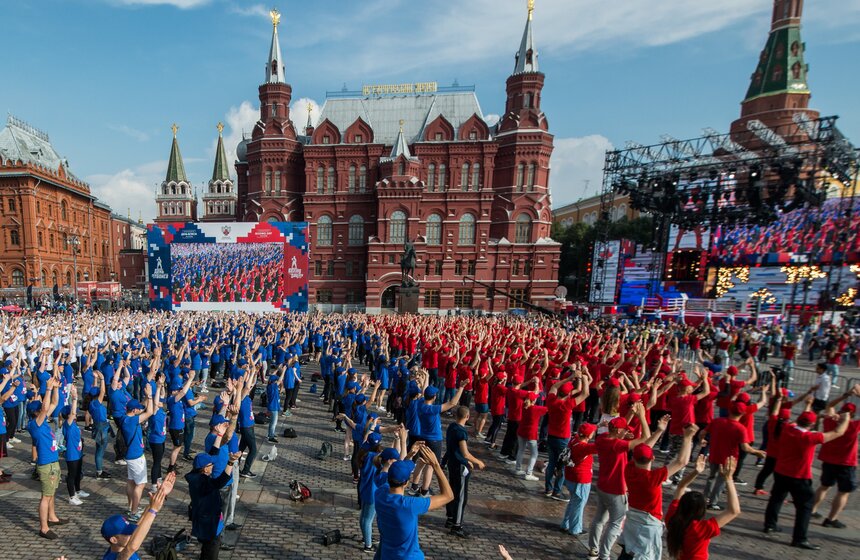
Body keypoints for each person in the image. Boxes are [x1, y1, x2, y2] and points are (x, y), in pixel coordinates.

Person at [763, 409, 850, 550]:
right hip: (799, 476)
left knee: (776, 499)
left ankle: (769, 525)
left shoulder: (788, 428)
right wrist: (845, 419)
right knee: (805, 508)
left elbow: (794, 423)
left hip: (781, 471)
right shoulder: (809, 438)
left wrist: (821, 416)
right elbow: (837, 433)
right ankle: (799, 538)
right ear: (811, 425)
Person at [618, 421, 697, 560]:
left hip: (632, 519)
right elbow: (682, 462)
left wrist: (659, 431)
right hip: (647, 524)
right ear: (653, 458)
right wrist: (687, 438)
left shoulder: (629, 469)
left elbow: (643, 450)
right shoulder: (653, 478)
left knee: (628, 550)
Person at [587, 403, 653, 560]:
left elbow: (619, 426)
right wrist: (642, 416)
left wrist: (630, 413)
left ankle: (593, 550)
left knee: (599, 520)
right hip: (616, 489)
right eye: (624, 430)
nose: (627, 432)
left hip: (602, 486)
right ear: (618, 431)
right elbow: (646, 438)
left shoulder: (602, 439)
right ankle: (605, 555)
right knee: (615, 524)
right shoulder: (618, 445)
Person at [374, 447, 454, 559]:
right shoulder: (409, 505)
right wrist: (436, 465)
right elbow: (448, 496)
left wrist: (409, 457)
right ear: (406, 483)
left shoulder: (379, 493)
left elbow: (387, 476)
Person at [665, 456, 740, 560]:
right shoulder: (701, 529)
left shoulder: (672, 517)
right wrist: (729, 478)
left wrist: (696, 472)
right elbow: (734, 511)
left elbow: (680, 487)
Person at [810, 385, 860, 529]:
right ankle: (831, 519)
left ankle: (812, 510)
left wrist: (845, 395)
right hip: (846, 462)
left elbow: (830, 405)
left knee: (824, 486)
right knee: (843, 492)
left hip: (828, 459)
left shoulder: (829, 421)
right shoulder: (854, 425)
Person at [101, 471, 176, 560]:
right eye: (127, 534)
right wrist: (154, 510)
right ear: (114, 540)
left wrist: (160, 494)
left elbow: (140, 524)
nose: (132, 535)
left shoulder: (121, 546)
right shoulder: (116, 557)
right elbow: (131, 548)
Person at [28, 375, 65, 539]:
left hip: (53, 462)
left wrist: (56, 388)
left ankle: (52, 517)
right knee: (46, 496)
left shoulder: (41, 421)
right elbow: (45, 408)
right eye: (40, 410)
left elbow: (54, 404)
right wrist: (48, 388)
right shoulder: (34, 424)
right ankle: (44, 528)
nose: (44, 410)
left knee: (51, 493)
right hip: (46, 464)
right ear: (35, 413)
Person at [186, 449, 241, 559]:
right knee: (211, 551)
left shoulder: (196, 477)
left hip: (204, 521)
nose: (213, 466)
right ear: (205, 468)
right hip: (209, 524)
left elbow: (213, 451)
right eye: (211, 464)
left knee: (206, 550)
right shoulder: (203, 483)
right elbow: (221, 481)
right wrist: (230, 462)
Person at [445, 405, 485, 538]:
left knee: (452, 491)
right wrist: (477, 461)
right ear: (467, 417)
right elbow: (465, 453)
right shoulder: (462, 432)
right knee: (461, 496)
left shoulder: (451, 427)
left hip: (452, 464)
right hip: (460, 466)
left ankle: (450, 517)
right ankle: (457, 525)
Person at [121, 386, 156, 522]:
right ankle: (134, 511)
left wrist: (147, 397)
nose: (140, 410)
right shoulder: (132, 421)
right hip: (136, 456)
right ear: (134, 410)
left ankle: (131, 507)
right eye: (138, 409)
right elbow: (150, 411)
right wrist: (151, 396)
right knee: (140, 485)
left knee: (130, 482)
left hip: (130, 455)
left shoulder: (126, 418)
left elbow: (143, 407)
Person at [560, 423, 597, 536]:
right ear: (588, 436)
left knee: (573, 502)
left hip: (571, 477)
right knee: (578, 505)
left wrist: (599, 425)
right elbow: (601, 446)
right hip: (581, 480)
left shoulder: (574, 440)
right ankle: (575, 529)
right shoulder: (583, 447)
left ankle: (566, 524)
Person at [61, 385, 89, 505]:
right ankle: (72, 496)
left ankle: (77, 490)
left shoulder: (74, 424)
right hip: (72, 454)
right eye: (73, 414)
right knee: (71, 475)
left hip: (78, 453)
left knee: (78, 473)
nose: (76, 414)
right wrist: (74, 398)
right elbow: (72, 413)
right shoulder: (67, 424)